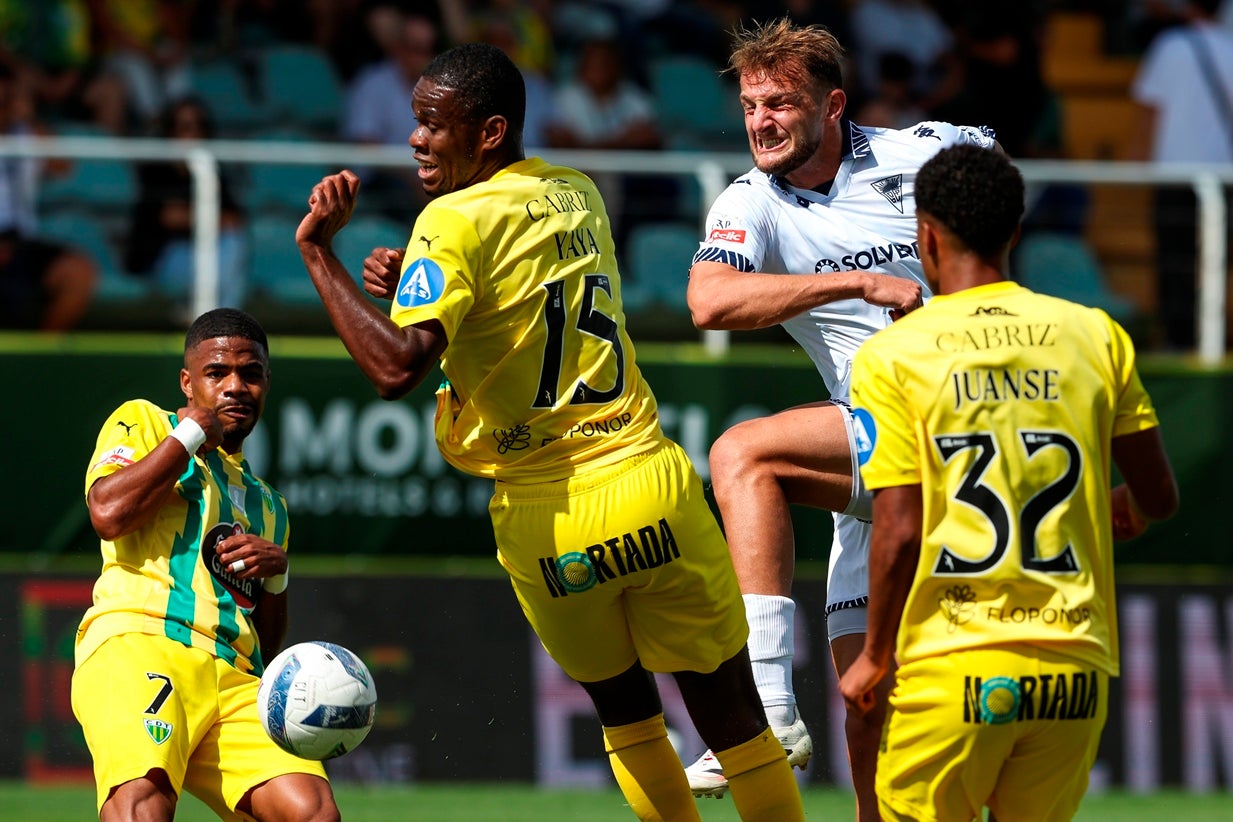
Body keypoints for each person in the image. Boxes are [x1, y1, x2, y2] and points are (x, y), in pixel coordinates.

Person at [295, 42, 805, 822]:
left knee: (628, 719)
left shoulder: (449, 220)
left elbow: (396, 367)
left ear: (490, 132)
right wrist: (423, 292)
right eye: (416, 122)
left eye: (434, 124)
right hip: (647, 484)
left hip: (548, 519)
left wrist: (318, 254)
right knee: (735, 717)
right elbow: (523, 303)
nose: (417, 139)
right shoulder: (578, 192)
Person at [682, 18, 998, 818]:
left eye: (780, 103)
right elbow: (708, 301)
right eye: (750, 105)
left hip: (955, 422)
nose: (760, 121)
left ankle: (763, 706)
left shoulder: (920, 153)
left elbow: (998, 189)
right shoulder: (749, 202)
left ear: (831, 106)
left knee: (744, 455)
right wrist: (853, 284)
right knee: (868, 712)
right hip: (868, 436)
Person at [838, 143, 1180, 821]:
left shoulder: (893, 354)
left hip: (954, 665)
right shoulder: (1096, 334)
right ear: (1014, 233)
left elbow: (899, 527)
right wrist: (1130, 507)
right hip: (1073, 672)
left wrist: (874, 654)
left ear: (926, 236)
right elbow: (1159, 497)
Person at [71, 308, 341, 821]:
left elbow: (265, 646)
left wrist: (278, 576)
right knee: (143, 804)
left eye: (251, 374)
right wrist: (187, 437)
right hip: (143, 644)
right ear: (187, 382)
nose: (236, 386)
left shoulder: (270, 505)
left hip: (236, 676)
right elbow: (107, 513)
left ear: (266, 384)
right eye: (217, 373)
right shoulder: (147, 422)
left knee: (313, 812)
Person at [1129, 0, 1233, 350]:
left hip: (1174, 175)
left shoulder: (1170, 46)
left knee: (1175, 264)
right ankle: (1208, 341)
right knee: (1214, 263)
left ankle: (1180, 341)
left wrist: (1133, 165)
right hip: (1222, 178)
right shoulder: (1229, 47)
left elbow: (1149, 111)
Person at [125, 96, 248, 315]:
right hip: (162, 260)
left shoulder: (213, 170)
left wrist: (195, 217)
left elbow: (234, 220)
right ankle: (222, 323)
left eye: (199, 126)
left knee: (234, 243)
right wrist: (212, 219)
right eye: (184, 127)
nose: (193, 134)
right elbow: (170, 217)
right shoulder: (155, 170)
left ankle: (211, 321)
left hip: (207, 255)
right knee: (227, 267)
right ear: (170, 131)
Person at [0, 63, 98, 331]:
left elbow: (62, 166)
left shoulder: (28, 134)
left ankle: (44, 349)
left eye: (6, 99)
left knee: (79, 272)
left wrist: (28, 119)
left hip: (21, 241)